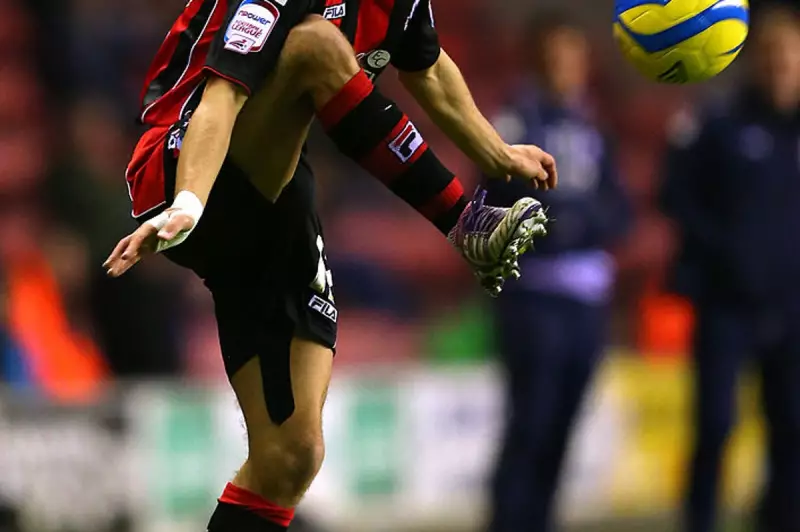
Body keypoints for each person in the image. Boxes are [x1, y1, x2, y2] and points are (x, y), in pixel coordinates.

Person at [103, 1, 557, 531]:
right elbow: (221, 97)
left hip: (277, 186)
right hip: (185, 161)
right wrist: (188, 204)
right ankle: (465, 222)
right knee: (315, 45)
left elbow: (428, 66)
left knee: (292, 455)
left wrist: (498, 153)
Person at [484, 12, 631, 532]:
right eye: (554, 57)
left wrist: (583, 220)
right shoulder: (512, 124)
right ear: (536, 61)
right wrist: (569, 222)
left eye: (572, 57)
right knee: (531, 421)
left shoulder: (592, 126)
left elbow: (619, 206)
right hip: (534, 295)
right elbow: (494, 198)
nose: (564, 67)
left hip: (587, 297)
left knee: (564, 424)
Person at [661, 4, 800, 531]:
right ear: (750, 60)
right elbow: (674, 195)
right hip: (726, 306)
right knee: (715, 425)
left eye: (789, 55)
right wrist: (727, 253)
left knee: (792, 428)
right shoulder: (718, 123)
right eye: (769, 55)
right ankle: (700, 522)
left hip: (792, 306)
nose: (779, 66)